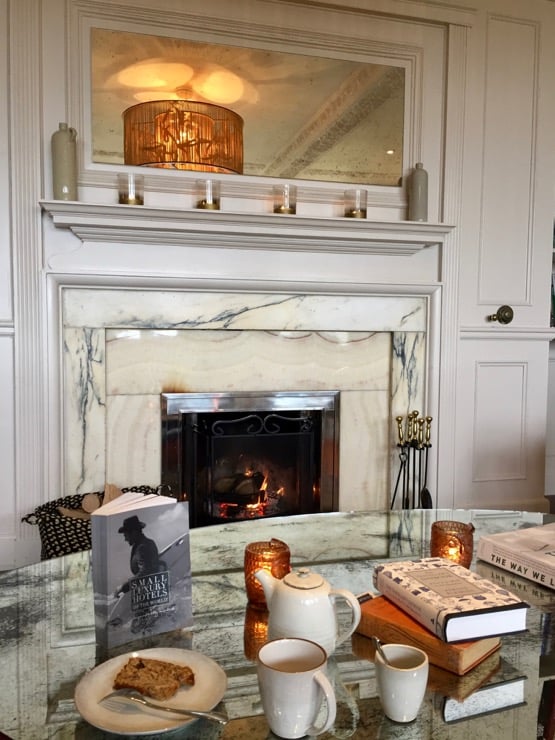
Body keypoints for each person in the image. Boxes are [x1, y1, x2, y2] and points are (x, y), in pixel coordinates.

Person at [115, 515, 165, 595]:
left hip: (149, 592)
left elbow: (145, 572)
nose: (125, 539)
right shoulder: (149, 542)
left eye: (126, 535)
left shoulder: (141, 547)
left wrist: (124, 587)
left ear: (134, 532)